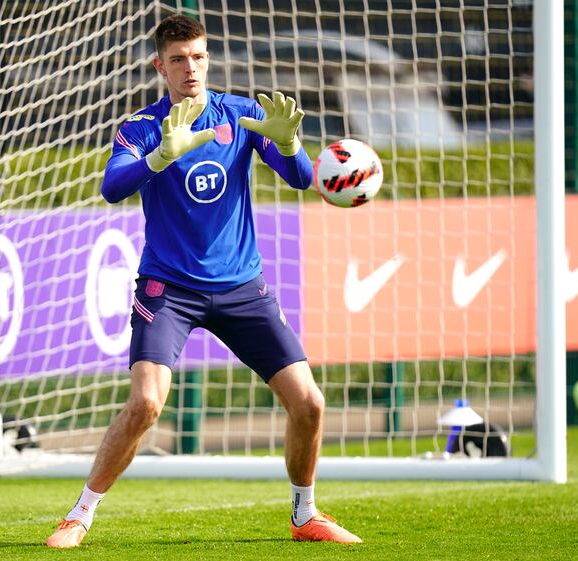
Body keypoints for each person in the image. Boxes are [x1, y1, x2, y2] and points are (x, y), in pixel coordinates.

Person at [46, 14, 362, 548]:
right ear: (159, 66)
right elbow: (111, 187)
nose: (189, 68)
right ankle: (79, 514)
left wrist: (287, 145)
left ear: (208, 57)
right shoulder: (143, 127)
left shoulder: (241, 114)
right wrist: (161, 155)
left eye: (197, 56)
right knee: (147, 403)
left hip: (243, 288)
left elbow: (306, 179)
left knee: (309, 402)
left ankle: (305, 515)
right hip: (169, 290)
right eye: (177, 59)